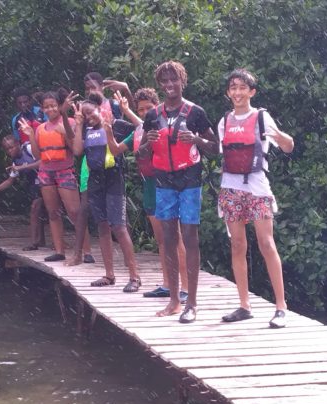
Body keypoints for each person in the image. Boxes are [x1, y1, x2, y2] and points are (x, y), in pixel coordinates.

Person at [139, 61, 218, 323]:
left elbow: (215, 148)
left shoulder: (195, 112)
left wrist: (197, 140)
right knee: (169, 240)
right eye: (165, 81)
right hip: (164, 183)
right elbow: (140, 153)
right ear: (160, 85)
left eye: (174, 80)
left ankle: (191, 303)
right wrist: (147, 145)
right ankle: (173, 300)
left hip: (190, 181)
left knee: (190, 237)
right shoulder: (153, 115)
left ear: (183, 81)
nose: (170, 85)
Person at [216, 68, 294, 328]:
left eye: (242, 87)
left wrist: (279, 136)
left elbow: (288, 146)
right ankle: (244, 305)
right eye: (233, 87)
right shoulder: (224, 121)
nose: (237, 92)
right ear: (228, 93)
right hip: (230, 188)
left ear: (252, 92)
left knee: (266, 243)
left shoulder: (261, 117)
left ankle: (281, 307)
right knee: (237, 245)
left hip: (258, 187)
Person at [116, 88, 189, 303]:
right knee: (161, 240)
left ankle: (184, 287)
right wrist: (120, 118)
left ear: (157, 107)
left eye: (149, 108)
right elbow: (139, 128)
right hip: (150, 185)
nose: (146, 112)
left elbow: (151, 123)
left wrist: (130, 112)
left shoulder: (166, 125)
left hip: (168, 184)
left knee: (175, 239)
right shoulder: (141, 130)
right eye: (142, 109)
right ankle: (167, 284)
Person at [71, 93, 141, 291]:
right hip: (95, 180)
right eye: (83, 115)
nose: (88, 117)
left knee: (118, 227)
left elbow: (141, 128)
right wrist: (78, 124)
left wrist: (126, 111)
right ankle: (109, 275)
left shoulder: (116, 124)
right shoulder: (84, 129)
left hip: (114, 179)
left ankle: (134, 277)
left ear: (99, 109)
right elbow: (77, 151)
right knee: (102, 226)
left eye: (89, 112)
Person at [18, 89, 91, 262]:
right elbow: (37, 155)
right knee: (53, 212)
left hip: (65, 171)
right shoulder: (40, 128)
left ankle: (86, 251)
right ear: (42, 109)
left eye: (53, 106)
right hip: (46, 173)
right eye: (46, 107)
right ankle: (60, 251)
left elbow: (76, 149)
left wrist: (64, 132)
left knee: (74, 212)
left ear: (59, 106)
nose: (50, 109)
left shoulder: (70, 122)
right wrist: (30, 135)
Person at [0, 135, 45, 250]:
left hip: (48, 180)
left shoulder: (28, 148)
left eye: (11, 147)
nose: (10, 151)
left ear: (18, 144)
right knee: (38, 211)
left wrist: (23, 168)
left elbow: (43, 162)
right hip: (34, 185)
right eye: (7, 149)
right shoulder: (15, 161)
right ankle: (39, 241)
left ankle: (36, 243)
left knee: (40, 209)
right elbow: (9, 181)